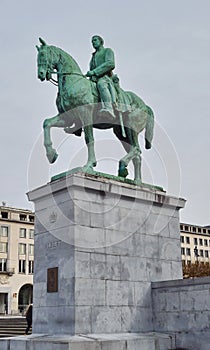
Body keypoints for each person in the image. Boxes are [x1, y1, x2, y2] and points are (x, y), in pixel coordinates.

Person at [86, 35, 116, 119]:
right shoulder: (93, 56)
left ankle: (109, 108)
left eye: (95, 40)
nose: (93, 43)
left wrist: (94, 72)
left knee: (101, 84)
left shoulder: (107, 51)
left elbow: (110, 63)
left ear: (101, 41)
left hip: (105, 78)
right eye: (92, 42)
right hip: (94, 79)